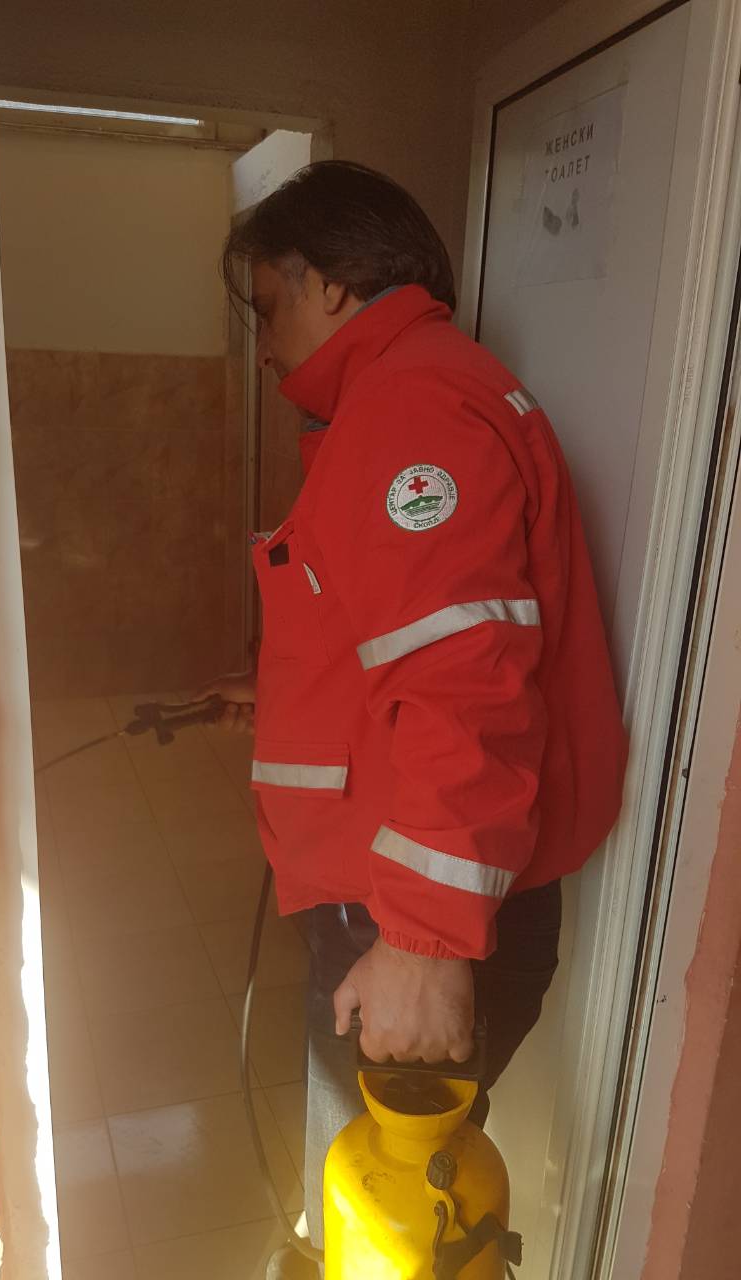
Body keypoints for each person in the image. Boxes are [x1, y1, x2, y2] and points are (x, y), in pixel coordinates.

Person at [201, 160, 627, 1270]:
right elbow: (408, 639)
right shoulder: (413, 397)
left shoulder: (412, 407)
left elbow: (463, 679)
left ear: (334, 282)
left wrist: (424, 944)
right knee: (376, 1201)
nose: (265, 343)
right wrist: (290, 703)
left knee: (386, 1210)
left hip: (403, 915)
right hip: (398, 897)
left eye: (271, 305)